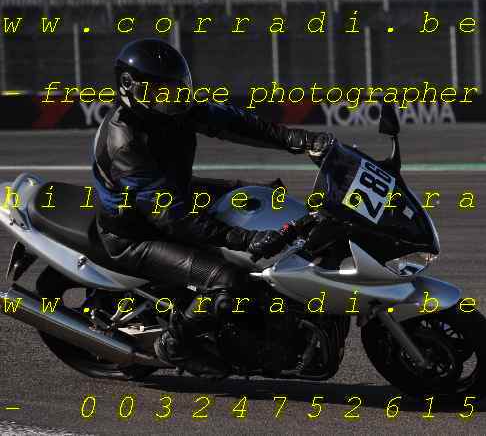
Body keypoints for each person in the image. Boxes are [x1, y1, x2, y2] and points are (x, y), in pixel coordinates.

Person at [92, 38, 334, 375]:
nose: (172, 99)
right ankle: (175, 345)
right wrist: (243, 239)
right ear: (130, 88)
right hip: (137, 233)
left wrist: (298, 140)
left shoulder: (174, 110)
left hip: (172, 194)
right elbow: (172, 218)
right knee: (227, 278)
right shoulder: (125, 143)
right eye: (161, 93)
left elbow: (236, 122)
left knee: (260, 197)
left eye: (177, 90)